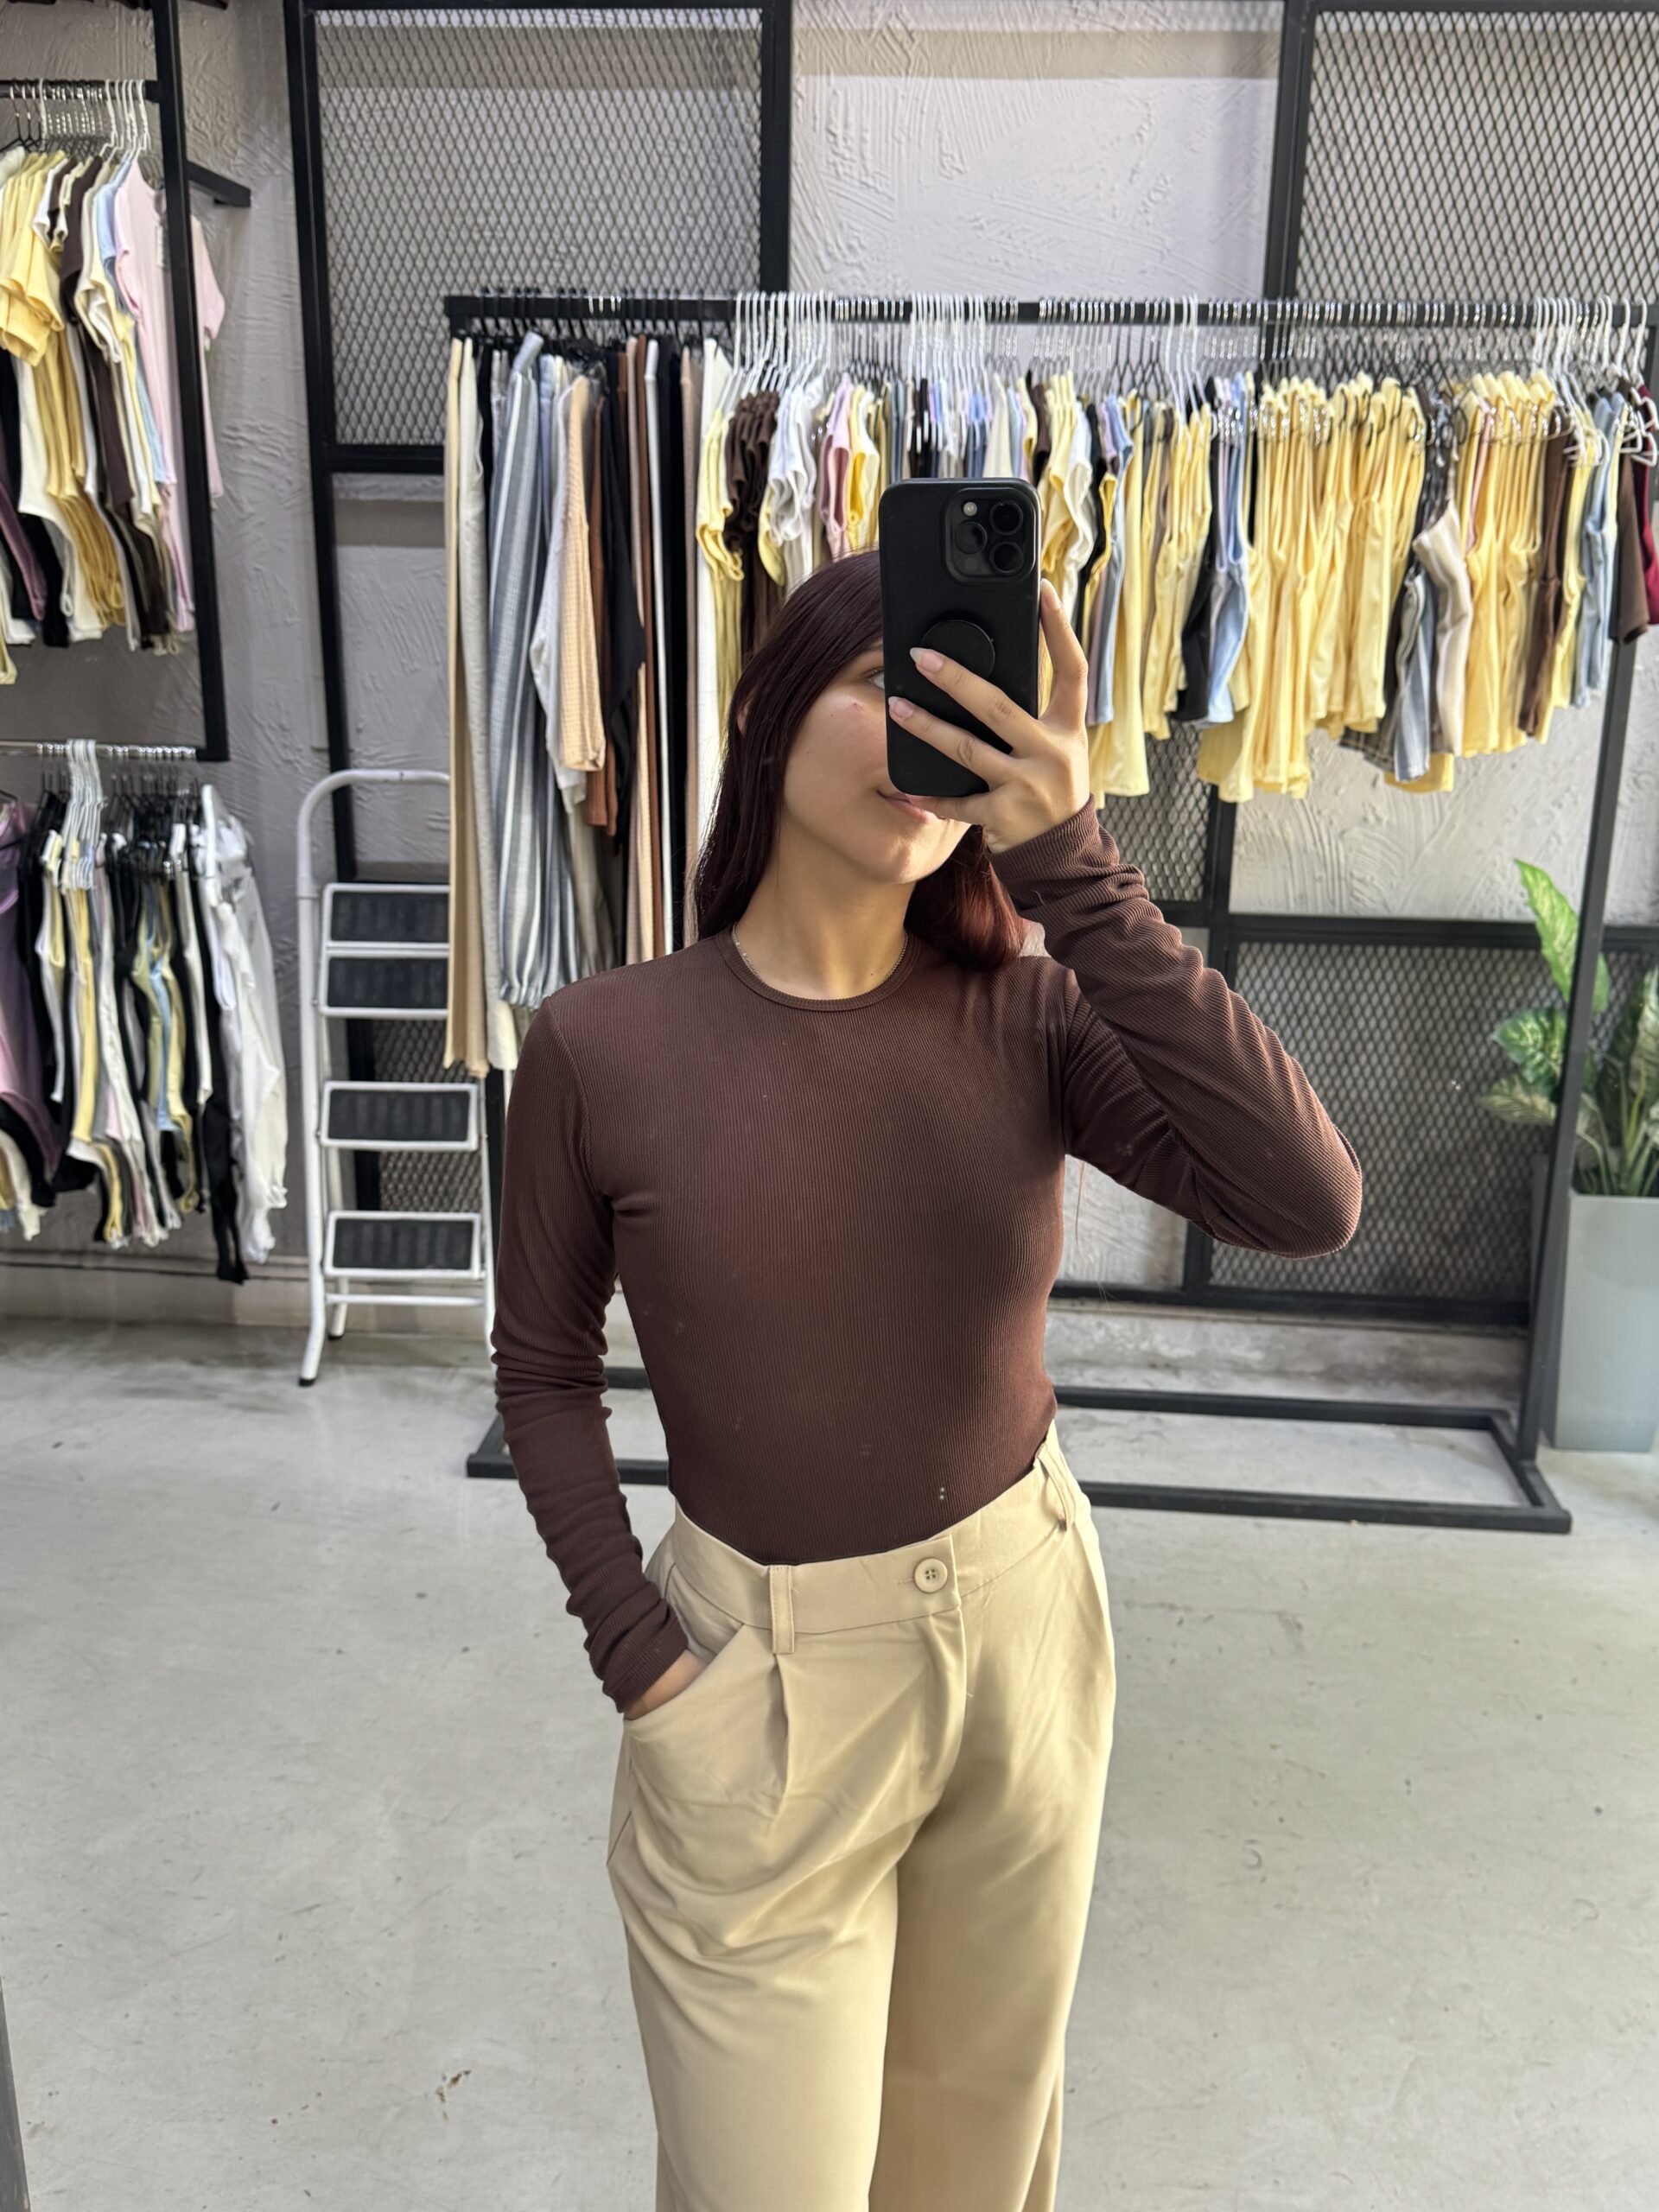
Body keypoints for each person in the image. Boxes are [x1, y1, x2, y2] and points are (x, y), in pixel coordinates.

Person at [491, 550, 1363, 2212]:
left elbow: (1307, 1199)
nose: (934, 735)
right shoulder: (605, 1049)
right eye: (888, 684)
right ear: (767, 713)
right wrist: (645, 1662)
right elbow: (540, 1371)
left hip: (1024, 1639)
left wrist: (1075, 861)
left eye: (978, 705)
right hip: (751, 1678)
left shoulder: (1031, 1017)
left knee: (974, 2167)